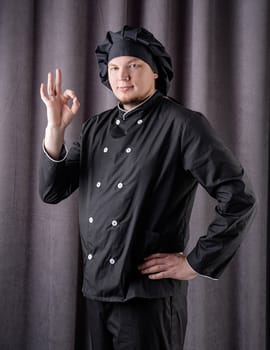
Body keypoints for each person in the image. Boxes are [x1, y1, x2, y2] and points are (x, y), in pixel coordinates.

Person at [39, 25, 257, 350]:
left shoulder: (182, 124)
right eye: (114, 67)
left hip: (148, 299)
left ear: (154, 71)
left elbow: (239, 197)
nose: (122, 75)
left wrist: (196, 262)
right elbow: (52, 190)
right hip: (96, 290)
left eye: (134, 65)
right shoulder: (94, 128)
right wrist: (55, 128)